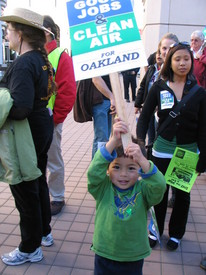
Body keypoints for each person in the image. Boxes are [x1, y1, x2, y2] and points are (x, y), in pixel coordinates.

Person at [136, 42, 206, 251]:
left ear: (191, 62)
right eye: (177, 59)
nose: (182, 63)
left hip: (188, 151)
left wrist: (203, 158)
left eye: (186, 59)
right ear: (170, 62)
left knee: (182, 194)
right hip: (162, 149)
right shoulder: (159, 86)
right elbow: (145, 116)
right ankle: (154, 230)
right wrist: (140, 141)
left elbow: (203, 127)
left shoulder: (199, 92)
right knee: (159, 191)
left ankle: (176, 234)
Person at [0, 8, 56, 265]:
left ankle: (29, 247)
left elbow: (20, 108)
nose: (6, 37)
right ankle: (44, 232)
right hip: (42, 126)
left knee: (25, 190)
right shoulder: (41, 59)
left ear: (21, 33)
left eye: (9, 31)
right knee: (37, 183)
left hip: (25, 134)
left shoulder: (23, 62)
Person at [87, 117, 166, 275]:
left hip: (133, 255)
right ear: (107, 169)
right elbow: (93, 173)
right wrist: (112, 143)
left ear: (140, 170)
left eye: (131, 168)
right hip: (104, 252)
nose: (123, 174)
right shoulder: (103, 187)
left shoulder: (144, 190)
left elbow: (160, 186)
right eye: (116, 167)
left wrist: (143, 160)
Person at [43, 15, 76, 215]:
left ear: (47, 32)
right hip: (34, 119)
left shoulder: (60, 56)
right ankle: (43, 195)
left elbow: (67, 92)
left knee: (53, 159)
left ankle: (57, 197)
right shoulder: (33, 54)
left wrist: (55, 119)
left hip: (50, 119)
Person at [135, 49, 163, 144]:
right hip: (149, 106)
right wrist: (137, 104)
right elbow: (143, 86)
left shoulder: (168, 73)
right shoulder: (151, 69)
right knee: (150, 135)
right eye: (157, 53)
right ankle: (150, 152)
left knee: (157, 134)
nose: (159, 55)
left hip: (161, 109)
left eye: (161, 53)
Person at [91, 75, 116, 158]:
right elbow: (95, 78)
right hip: (101, 101)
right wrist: (112, 97)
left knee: (105, 138)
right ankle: (97, 168)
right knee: (101, 139)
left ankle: (99, 164)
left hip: (108, 100)